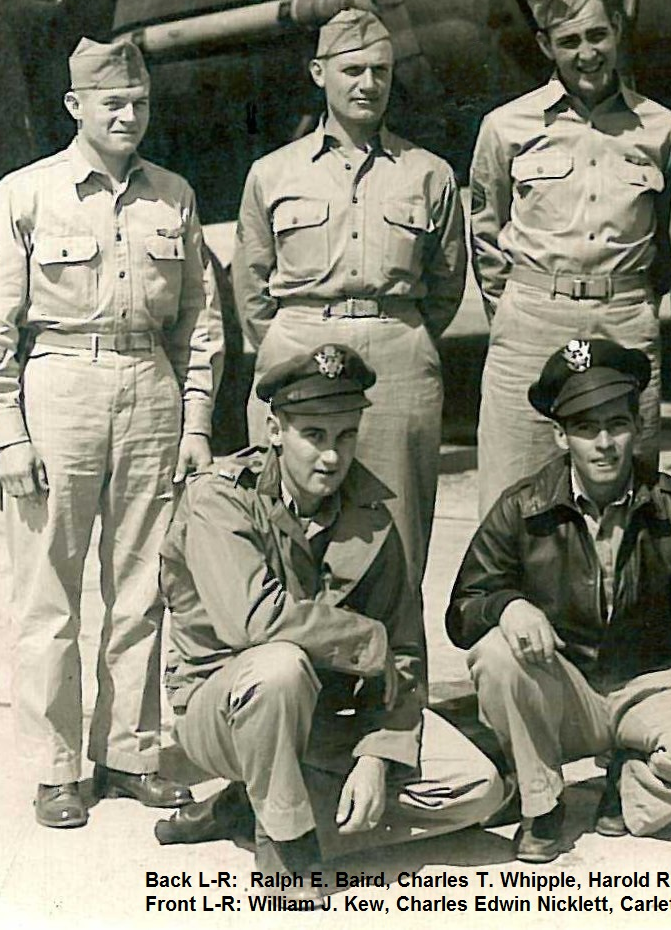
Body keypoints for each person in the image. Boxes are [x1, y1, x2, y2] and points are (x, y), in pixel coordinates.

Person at [0, 35, 223, 828]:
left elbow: (200, 319)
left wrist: (197, 419)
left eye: (139, 102)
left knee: (143, 586)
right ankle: (56, 770)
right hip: (60, 385)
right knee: (49, 591)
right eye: (112, 103)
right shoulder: (25, 195)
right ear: (75, 106)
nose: (128, 116)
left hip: (150, 385)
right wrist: (8, 432)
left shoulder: (172, 196)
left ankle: (131, 752)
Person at [155, 343, 507, 888]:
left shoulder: (372, 515)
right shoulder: (220, 501)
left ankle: (255, 807)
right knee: (280, 666)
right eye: (314, 435)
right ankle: (288, 845)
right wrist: (365, 640)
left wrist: (376, 757)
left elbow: (404, 655)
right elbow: (254, 621)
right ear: (275, 430)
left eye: (346, 436)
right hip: (223, 710)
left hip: (325, 717)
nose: (332, 457)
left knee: (476, 788)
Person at [447, 338, 671, 863]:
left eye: (617, 425)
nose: (604, 443)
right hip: (565, 690)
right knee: (495, 653)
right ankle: (542, 802)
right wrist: (507, 606)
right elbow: (463, 610)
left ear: (638, 427)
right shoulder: (524, 508)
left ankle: (628, 783)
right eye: (586, 428)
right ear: (561, 435)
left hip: (648, 682)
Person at [233, 4, 466, 586]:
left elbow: (446, 283)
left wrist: (399, 334)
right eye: (353, 70)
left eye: (380, 71)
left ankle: (396, 649)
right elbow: (252, 283)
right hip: (298, 349)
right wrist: (289, 342)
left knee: (397, 541)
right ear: (319, 73)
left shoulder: (428, 173)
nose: (368, 84)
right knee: (286, 534)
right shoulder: (272, 173)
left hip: (396, 361)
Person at [468, 0, 671, 511]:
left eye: (597, 35)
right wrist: (516, 308)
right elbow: (486, 232)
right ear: (546, 46)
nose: (587, 54)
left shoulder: (660, 128)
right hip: (533, 322)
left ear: (617, 31)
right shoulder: (506, 127)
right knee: (514, 494)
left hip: (625, 320)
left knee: (628, 491)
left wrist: (638, 303)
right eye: (569, 41)